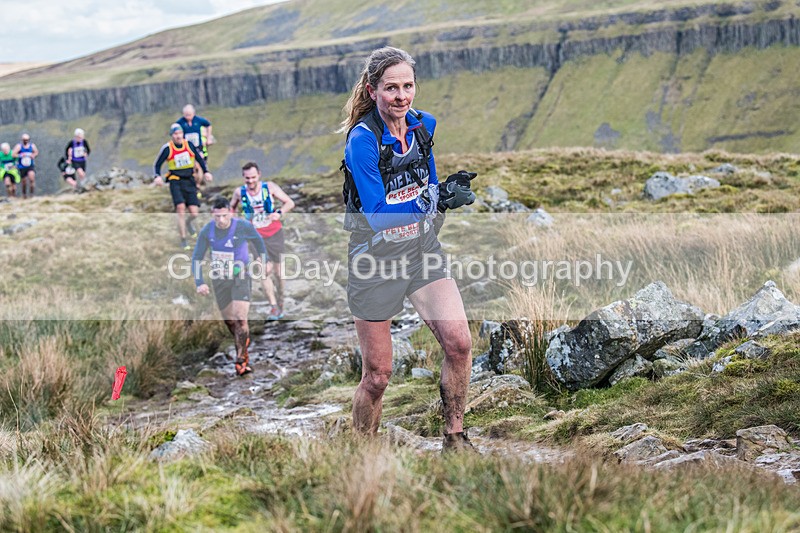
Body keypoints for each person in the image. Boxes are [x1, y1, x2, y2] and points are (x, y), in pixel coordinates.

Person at [340, 47, 478, 451]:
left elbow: (430, 191)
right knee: (378, 375)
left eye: (408, 86)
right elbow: (379, 213)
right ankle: (363, 453)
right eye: (391, 88)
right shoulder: (362, 142)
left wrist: (445, 197)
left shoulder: (423, 126)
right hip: (374, 260)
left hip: (421, 253)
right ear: (373, 90)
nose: (401, 96)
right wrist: (428, 201)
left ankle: (455, 439)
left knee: (460, 344)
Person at [192, 197, 269, 376]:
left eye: (224, 216)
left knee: (241, 318)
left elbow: (259, 242)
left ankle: (241, 359)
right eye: (217, 216)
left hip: (241, 275)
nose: (221, 220)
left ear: (230, 213)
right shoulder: (207, 231)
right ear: (212, 214)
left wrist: (261, 259)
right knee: (230, 321)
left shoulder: (243, 226)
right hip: (219, 278)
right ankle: (242, 343)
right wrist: (200, 282)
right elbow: (197, 257)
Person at [231, 161, 295, 320]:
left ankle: (281, 299)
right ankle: (273, 307)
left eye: (253, 177)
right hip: (254, 236)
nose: (250, 181)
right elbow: (230, 208)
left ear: (259, 174)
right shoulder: (239, 192)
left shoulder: (270, 187)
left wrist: (278, 213)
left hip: (274, 233)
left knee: (279, 272)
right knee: (264, 270)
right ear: (243, 178)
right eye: (247, 179)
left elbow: (289, 202)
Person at [153, 123, 213, 250]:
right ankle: (183, 239)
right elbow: (157, 164)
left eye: (180, 133)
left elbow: (199, 159)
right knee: (180, 208)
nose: (178, 136)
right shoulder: (167, 148)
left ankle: (188, 223)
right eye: (175, 134)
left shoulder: (189, 145)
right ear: (172, 135)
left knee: (194, 213)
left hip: (189, 181)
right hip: (176, 181)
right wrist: (157, 176)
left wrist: (206, 172)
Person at [177, 104, 214, 190]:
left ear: (193, 113)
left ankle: (198, 183)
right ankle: (192, 182)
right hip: (187, 148)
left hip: (198, 147)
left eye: (189, 115)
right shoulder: (180, 122)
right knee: (192, 166)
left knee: (199, 165)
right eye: (186, 115)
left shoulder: (198, 120)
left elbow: (208, 125)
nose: (188, 117)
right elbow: (174, 130)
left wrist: (208, 138)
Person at [12, 133, 38, 199]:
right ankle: (24, 195)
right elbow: (13, 154)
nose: (26, 141)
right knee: (24, 182)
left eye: (27, 140)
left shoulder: (32, 146)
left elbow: (36, 152)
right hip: (22, 166)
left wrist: (33, 155)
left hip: (30, 165)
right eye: (24, 140)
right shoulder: (19, 146)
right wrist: (20, 155)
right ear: (22, 140)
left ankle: (32, 194)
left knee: (32, 179)